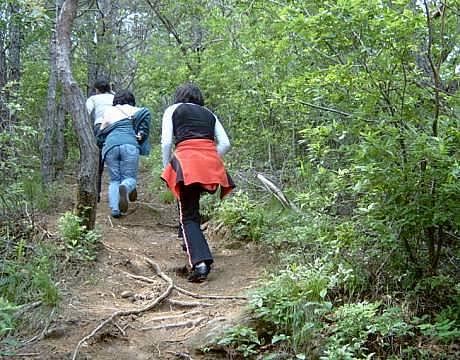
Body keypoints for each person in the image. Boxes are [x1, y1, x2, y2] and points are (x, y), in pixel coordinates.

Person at [161, 83, 235, 283]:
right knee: (190, 208)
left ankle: (200, 263)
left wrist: (167, 165)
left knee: (188, 215)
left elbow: (167, 142)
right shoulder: (209, 113)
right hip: (208, 163)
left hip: (186, 162)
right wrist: (210, 159)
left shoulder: (173, 110)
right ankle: (189, 242)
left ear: (178, 96)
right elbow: (226, 143)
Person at [97, 90, 151, 218]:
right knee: (129, 177)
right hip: (129, 144)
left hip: (111, 145)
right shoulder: (140, 111)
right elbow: (143, 132)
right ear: (132, 100)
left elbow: (101, 131)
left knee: (114, 179)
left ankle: (115, 209)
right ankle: (126, 188)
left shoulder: (110, 110)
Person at [86, 78, 114, 202]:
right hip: (116, 127)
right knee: (115, 160)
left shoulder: (93, 99)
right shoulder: (116, 97)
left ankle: (96, 195)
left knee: (98, 162)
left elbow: (86, 112)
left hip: (99, 127)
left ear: (97, 90)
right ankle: (118, 194)